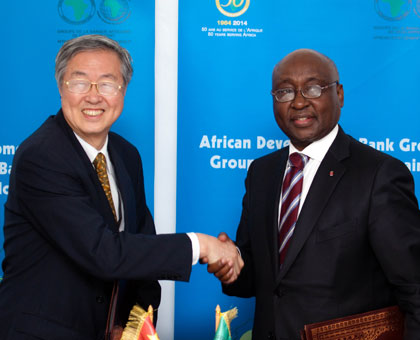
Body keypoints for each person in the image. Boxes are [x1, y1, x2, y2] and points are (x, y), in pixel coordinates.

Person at [0, 34, 243, 340]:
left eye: (107, 83)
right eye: (79, 82)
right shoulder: (42, 156)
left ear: (123, 90)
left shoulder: (126, 155)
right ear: (61, 87)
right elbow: (103, 252)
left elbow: (141, 247)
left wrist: (131, 326)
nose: (93, 96)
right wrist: (202, 245)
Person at [209, 49, 420, 339]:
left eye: (312, 88)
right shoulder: (261, 173)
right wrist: (231, 265)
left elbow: (414, 290)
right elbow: (261, 280)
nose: (297, 102)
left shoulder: (378, 174)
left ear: (339, 95)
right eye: (284, 91)